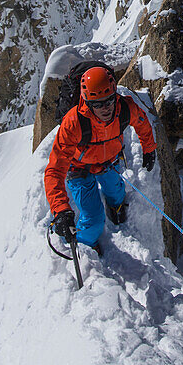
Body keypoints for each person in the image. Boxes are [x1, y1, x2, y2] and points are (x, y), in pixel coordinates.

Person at [45, 65, 156, 250]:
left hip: (109, 162)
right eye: (97, 104)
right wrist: (60, 210)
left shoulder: (125, 108)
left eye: (109, 100)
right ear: (87, 102)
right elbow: (55, 170)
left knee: (117, 193)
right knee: (94, 220)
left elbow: (142, 123)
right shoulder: (73, 123)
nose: (105, 108)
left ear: (115, 96)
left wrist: (149, 149)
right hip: (79, 169)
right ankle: (87, 246)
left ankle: (116, 208)